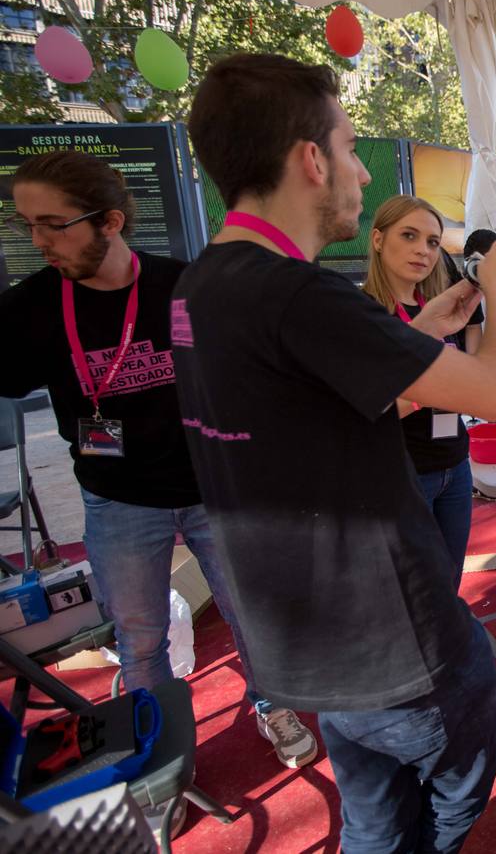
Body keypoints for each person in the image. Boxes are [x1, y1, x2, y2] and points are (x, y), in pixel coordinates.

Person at [177, 52, 496, 851]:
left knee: (372, 821)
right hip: (397, 646)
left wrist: (424, 333)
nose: (361, 176)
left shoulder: (203, 285)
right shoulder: (303, 294)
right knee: (449, 809)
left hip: (313, 647)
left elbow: (330, 411)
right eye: (348, 150)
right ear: (309, 159)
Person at [0, 149, 319, 778]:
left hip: (212, 491)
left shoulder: (183, 284)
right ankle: (156, 742)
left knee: (250, 614)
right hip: (116, 499)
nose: (37, 241)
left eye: (52, 224)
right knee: (140, 638)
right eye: (25, 224)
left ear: (110, 221)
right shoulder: (31, 304)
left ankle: (273, 704)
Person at [363, 196, 480, 595]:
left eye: (432, 242)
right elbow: (361, 411)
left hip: (454, 463)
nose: (423, 250)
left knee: (449, 583)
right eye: (409, 236)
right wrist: (421, 396)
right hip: (401, 472)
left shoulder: (439, 309)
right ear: (378, 240)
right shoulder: (361, 313)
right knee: (411, 591)